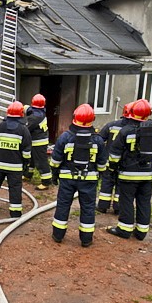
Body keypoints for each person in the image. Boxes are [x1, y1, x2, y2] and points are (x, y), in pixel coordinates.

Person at [105, 99, 152, 240]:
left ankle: (124, 230)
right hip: (147, 175)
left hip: (128, 175)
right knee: (144, 201)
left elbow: (114, 154)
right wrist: (151, 167)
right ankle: (141, 232)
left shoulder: (125, 131)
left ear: (131, 113)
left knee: (126, 201)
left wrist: (113, 168)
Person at [50, 104, 107, 247]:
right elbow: (102, 164)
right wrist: (99, 174)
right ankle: (86, 239)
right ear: (92, 120)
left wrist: (55, 175)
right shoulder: (98, 140)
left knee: (63, 205)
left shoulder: (65, 137)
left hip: (67, 179)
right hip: (89, 180)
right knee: (88, 208)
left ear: (75, 117)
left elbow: (56, 160)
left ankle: (58, 235)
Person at [0, 101, 32, 218]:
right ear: (21, 114)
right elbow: (26, 151)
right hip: (15, 167)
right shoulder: (23, 130)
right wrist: (26, 165)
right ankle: (15, 213)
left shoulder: (0, 126)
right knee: (15, 188)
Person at [97, 102, 134, 214]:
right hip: (125, 164)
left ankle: (103, 206)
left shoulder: (112, 125)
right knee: (121, 185)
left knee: (107, 182)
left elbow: (99, 140)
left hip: (110, 161)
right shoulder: (135, 129)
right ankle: (118, 207)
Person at [25, 94, 51, 190]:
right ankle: (28, 174)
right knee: (31, 159)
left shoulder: (35, 117)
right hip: (37, 140)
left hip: (38, 142)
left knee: (41, 162)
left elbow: (27, 128)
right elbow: (30, 110)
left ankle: (46, 181)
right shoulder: (40, 112)